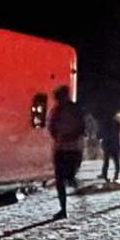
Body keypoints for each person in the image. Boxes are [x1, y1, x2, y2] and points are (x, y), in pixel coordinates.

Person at [47, 85, 85, 220]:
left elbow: (51, 127)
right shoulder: (75, 109)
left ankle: (63, 209)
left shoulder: (58, 110)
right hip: (71, 148)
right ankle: (65, 206)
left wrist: (61, 137)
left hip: (63, 147)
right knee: (64, 178)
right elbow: (82, 127)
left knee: (62, 180)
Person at [99, 110, 120, 182]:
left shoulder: (104, 124)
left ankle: (105, 176)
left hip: (107, 145)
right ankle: (116, 176)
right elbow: (119, 134)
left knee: (106, 162)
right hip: (115, 145)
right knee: (117, 163)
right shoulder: (117, 123)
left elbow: (100, 135)